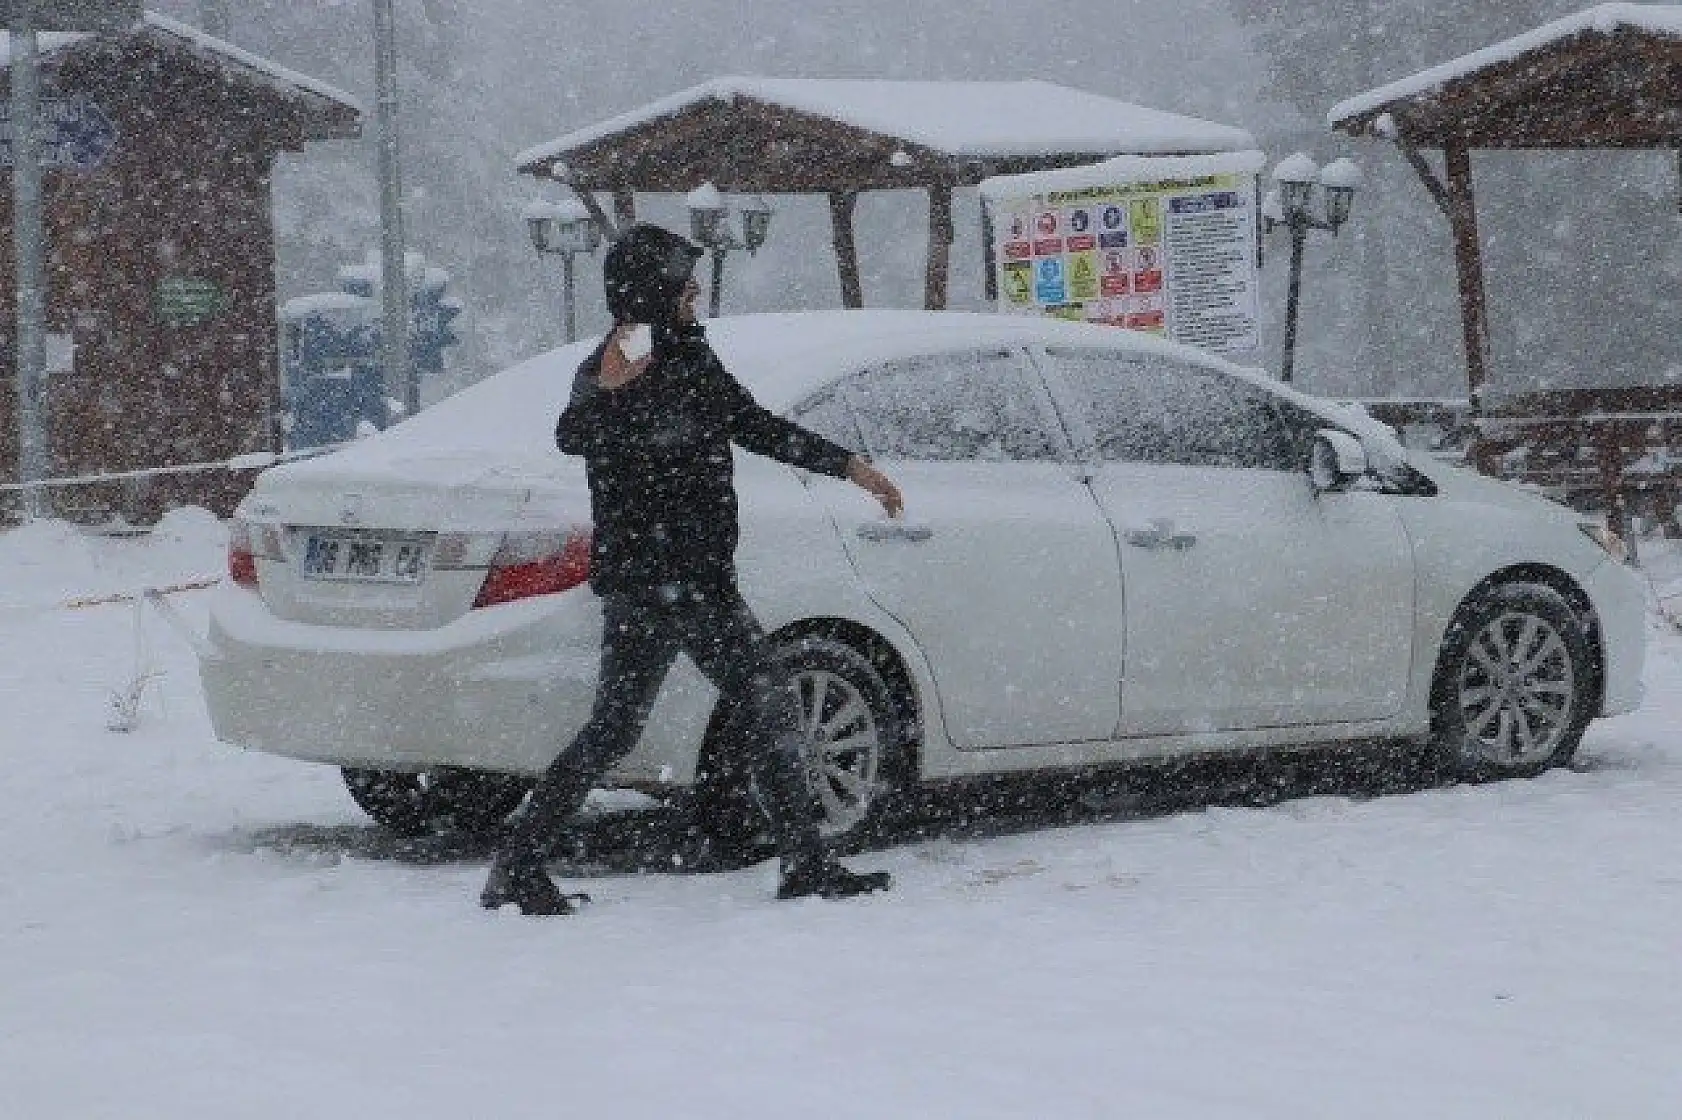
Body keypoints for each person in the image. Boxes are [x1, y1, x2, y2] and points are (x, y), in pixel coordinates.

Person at [481, 223, 905, 915]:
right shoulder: (620, 360)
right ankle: (805, 862)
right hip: (673, 578)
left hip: (672, 576)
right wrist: (609, 392)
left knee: (619, 727)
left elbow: (756, 424)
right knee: (766, 702)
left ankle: (519, 863)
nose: (696, 294)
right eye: (686, 284)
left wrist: (851, 468)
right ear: (656, 290)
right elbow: (573, 434)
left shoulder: (687, 357)